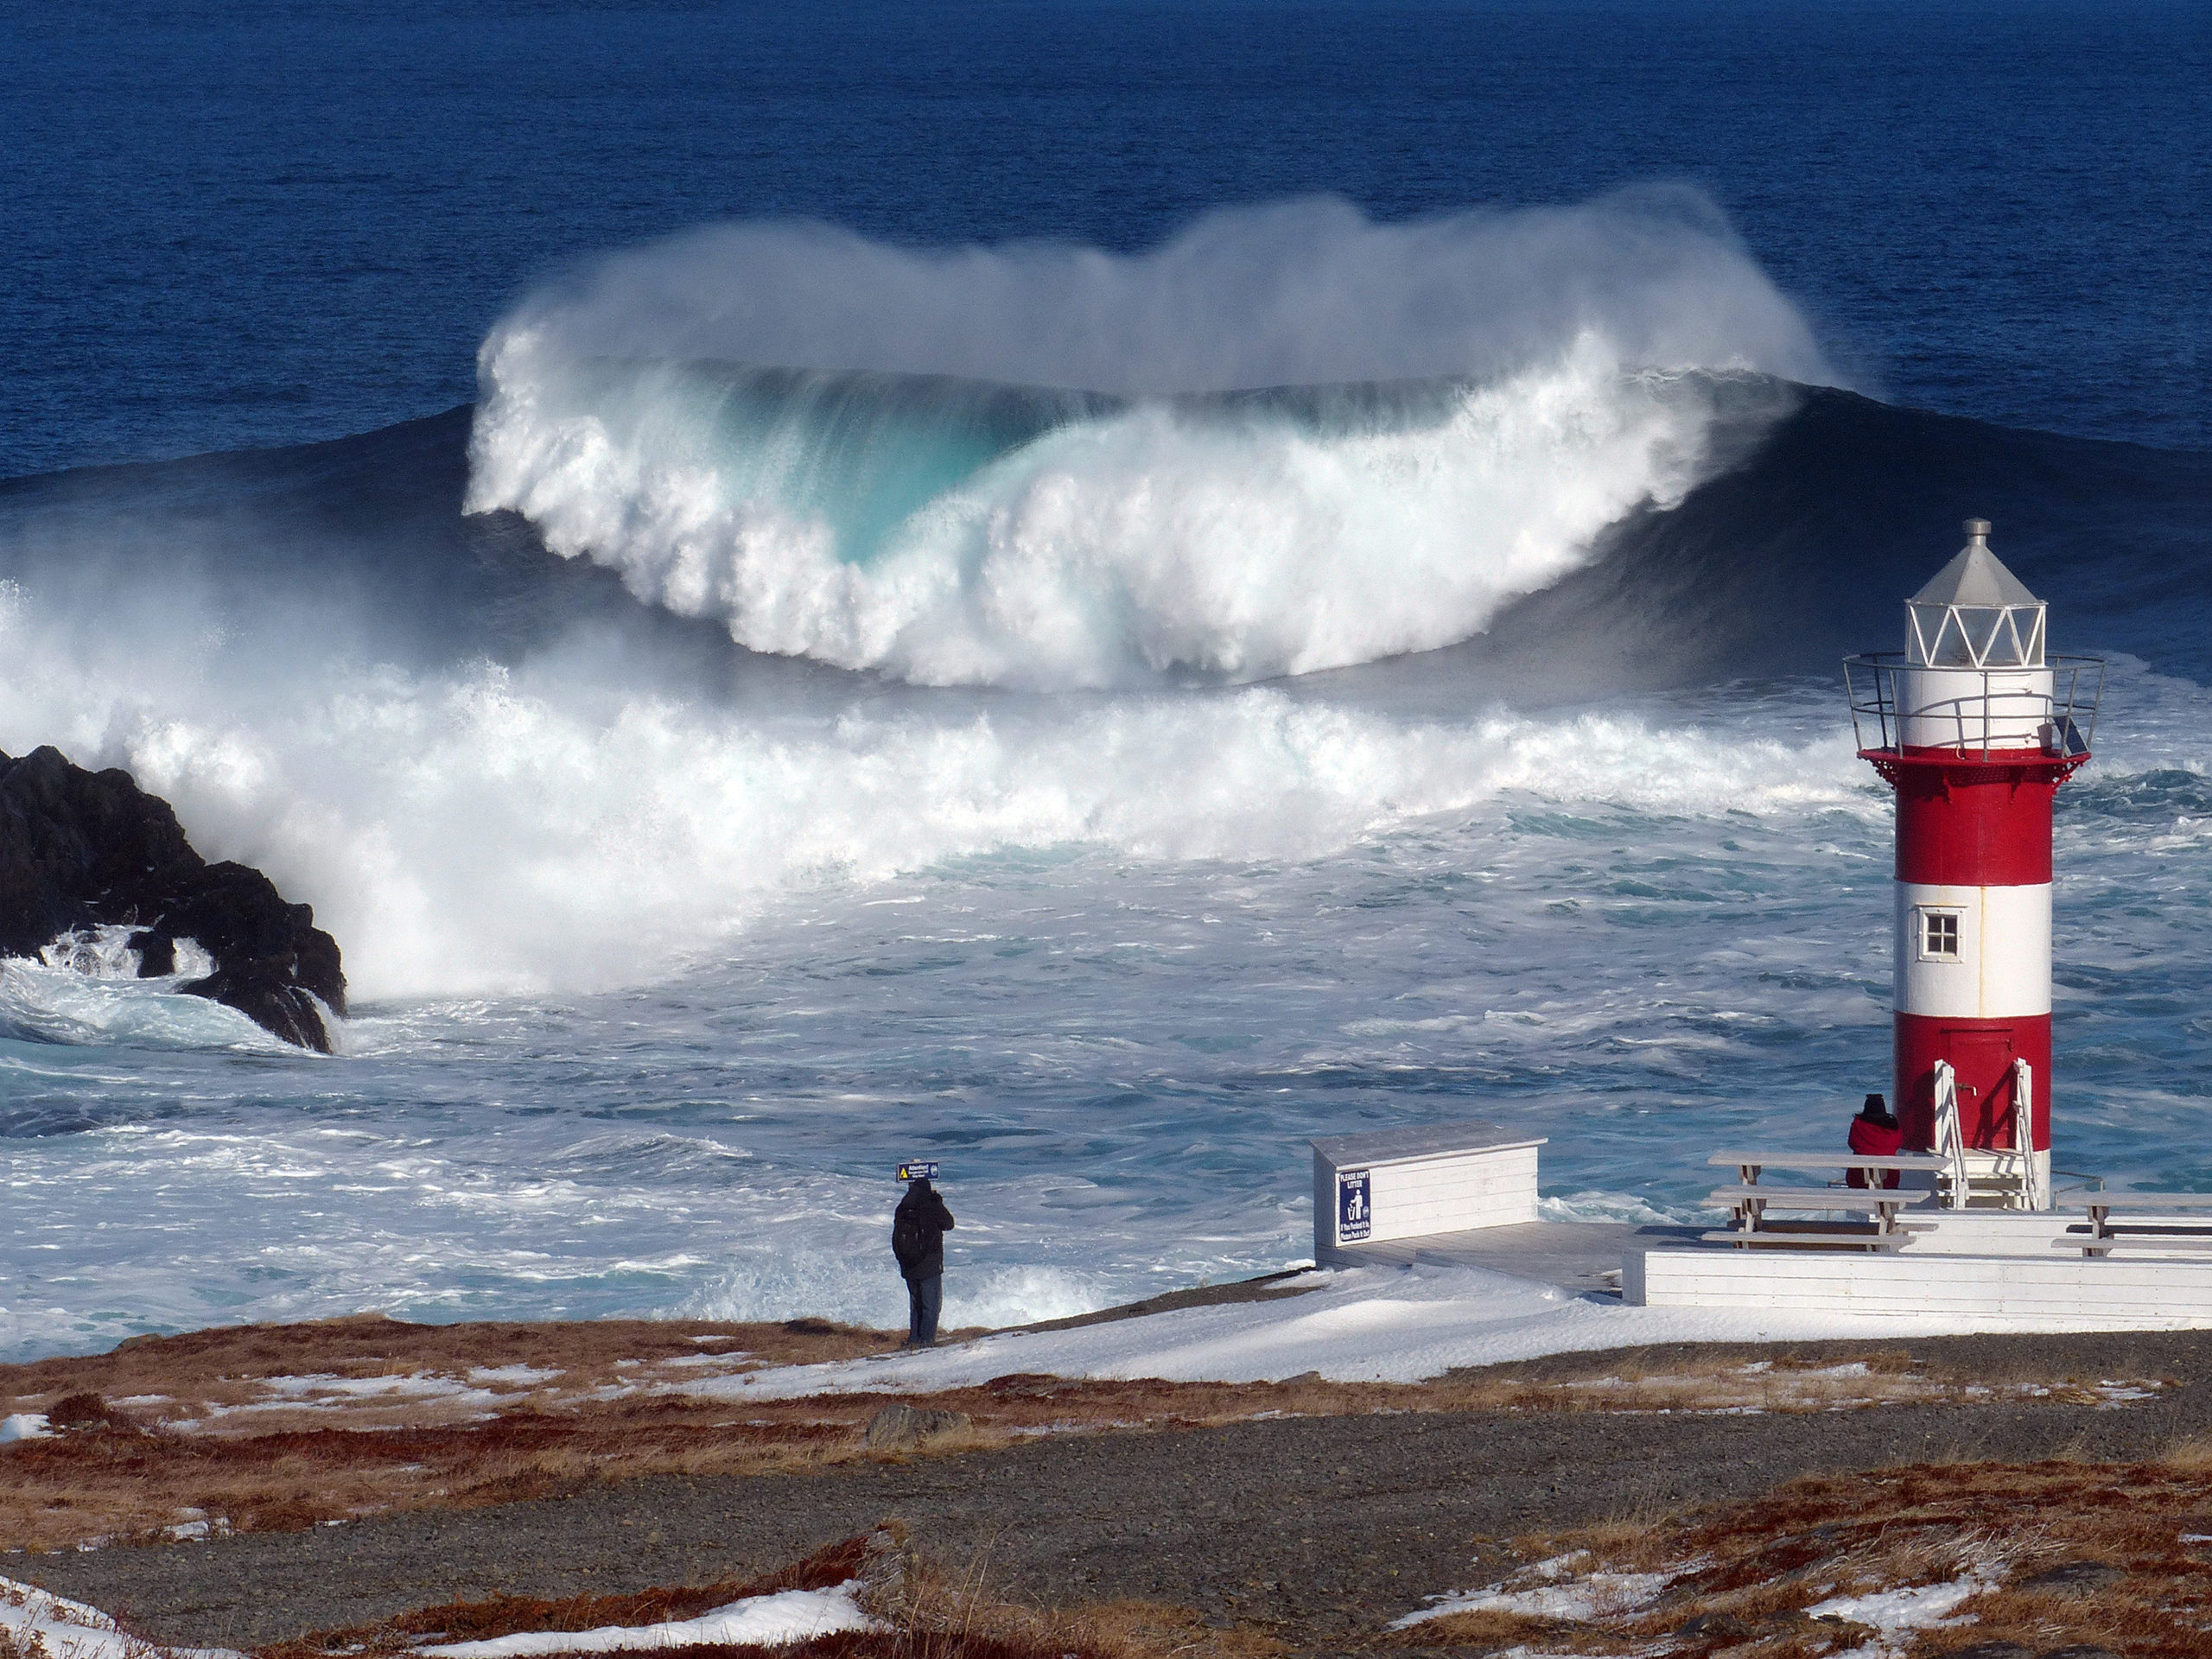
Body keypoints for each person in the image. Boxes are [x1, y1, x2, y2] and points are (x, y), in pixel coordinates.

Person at [892, 1174, 956, 1348]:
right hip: (929, 1263)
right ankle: (926, 1342)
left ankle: (914, 1339)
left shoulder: (903, 1207)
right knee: (931, 1305)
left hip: (908, 1263)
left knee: (916, 1304)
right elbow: (949, 1224)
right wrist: (938, 1201)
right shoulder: (932, 1206)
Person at [1845, 1093, 1903, 1189]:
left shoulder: (1858, 1124)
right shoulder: (1893, 1126)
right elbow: (1898, 1143)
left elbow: (1852, 1143)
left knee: (1857, 1177)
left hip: (1859, 1173)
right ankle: (1887, 1203)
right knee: (1889, 1185)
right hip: (1889, 1172)